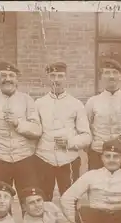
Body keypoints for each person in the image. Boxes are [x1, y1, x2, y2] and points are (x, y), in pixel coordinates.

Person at [0, 61, 42, 196]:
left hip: (24, 158)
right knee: (1, 202)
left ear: (17, 79)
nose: (7, 79)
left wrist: (18, 123)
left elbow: (37, 130)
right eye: (3, 75)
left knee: (29, 200)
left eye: (11, 76)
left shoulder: (27, 100)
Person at [34, 62, 92, 201]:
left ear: (66, 79)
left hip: (69, 160)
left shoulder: (76, 104)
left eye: (60, 76)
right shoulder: (38, 103)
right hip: (44, 159)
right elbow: (34, 132)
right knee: (43, 199)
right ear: (47, 78)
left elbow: (87, 136)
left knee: (70, 200)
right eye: (52, 75)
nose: (56, 80)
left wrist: (70, 142)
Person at [85, 58, 121, 175]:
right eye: (107, 73)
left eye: (115, 73)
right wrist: (91, 147)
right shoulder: (92, 102)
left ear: (120, 77)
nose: (111, 76)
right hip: (98, 154)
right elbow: (86, 129)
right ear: (101, 78)